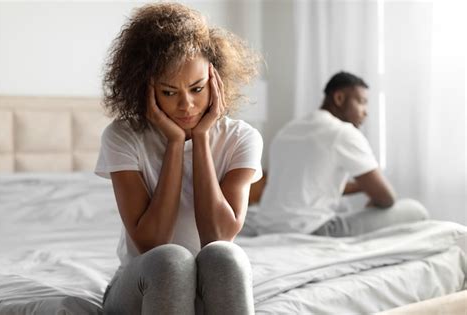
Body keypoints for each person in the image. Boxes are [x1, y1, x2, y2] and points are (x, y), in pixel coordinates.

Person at [94, 3, 263, 314]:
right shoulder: (123, 136)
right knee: (171, 260)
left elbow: (219, 236)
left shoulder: (241, 138)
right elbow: (152, 243)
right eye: (169, 92)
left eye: (197, 89)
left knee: (227, 256)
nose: (186, 105)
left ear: (217, 82)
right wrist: (174, 144)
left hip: (209, 289)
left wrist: (200, 140)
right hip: (144, 286)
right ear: (146, 90)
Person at [255, 71, 428, 237]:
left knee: (346, 209)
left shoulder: (287, 130)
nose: (365, 111)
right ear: (339, 98)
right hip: (313, 230)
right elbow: (386, 198)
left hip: (266, 228)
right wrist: (373, 192)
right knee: (415, 210)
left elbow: (312, 185)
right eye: (361, 102)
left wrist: (364, 185)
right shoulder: (342, 132)